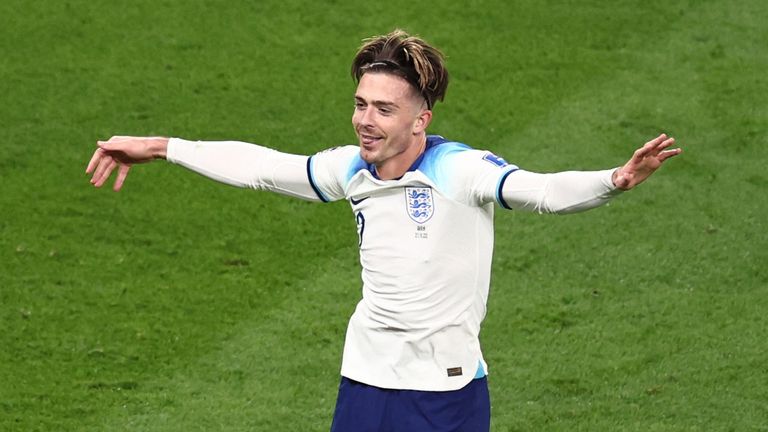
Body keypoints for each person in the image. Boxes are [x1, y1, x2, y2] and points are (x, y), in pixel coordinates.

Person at [86, 29, 681, 432]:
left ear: (421, 119)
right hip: (365, 377)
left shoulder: (459, 169)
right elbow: (265, 169)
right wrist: (163, 147)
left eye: (383, 109)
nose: (365, 122)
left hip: (445, 390)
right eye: (361, 104)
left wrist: (616, 179)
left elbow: (543, 191)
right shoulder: (352, 169)